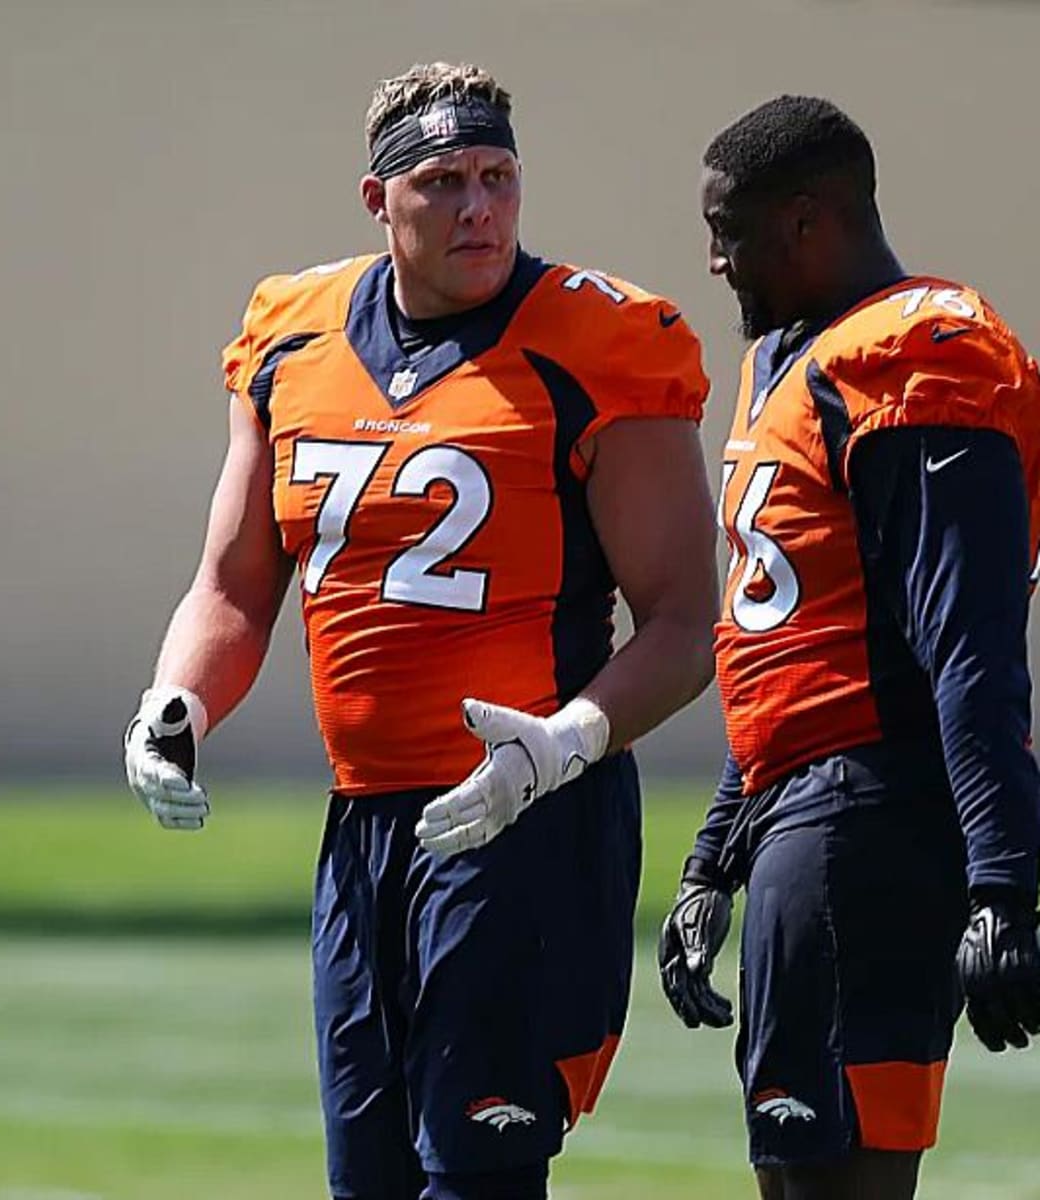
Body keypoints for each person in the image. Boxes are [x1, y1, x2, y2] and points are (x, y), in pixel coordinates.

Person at [124, 62, 718, 1200]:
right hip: (365, 831)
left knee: (477, 1184)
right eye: (444, 182)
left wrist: (559, 746)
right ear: (376, 199)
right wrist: (177, 703)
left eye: (498, 176)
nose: (480, 208)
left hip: (530, 823)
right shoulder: (293, 336)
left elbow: (687, 624)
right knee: (369, 1184)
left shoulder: (598, 342)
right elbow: (238, 583)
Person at [657, 94, 1040, 1200]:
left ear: (809, 221)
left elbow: (966, 646)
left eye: (731, 231)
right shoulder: (790, 357)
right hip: (803, 817)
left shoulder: (917, 354)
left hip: (868, 824)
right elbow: (786, 646)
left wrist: (1005, 883)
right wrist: (714, 856)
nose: (715, 261)